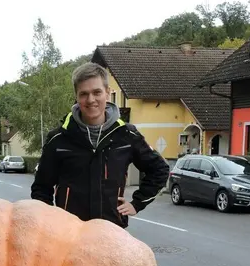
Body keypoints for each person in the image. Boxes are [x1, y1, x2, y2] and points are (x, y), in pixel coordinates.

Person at [31, 62, 170, 228]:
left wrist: (137, 203)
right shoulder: (58, 139)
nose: (91, 100)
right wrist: (51, 221)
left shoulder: (127, 135)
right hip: (68, 234)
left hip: (111, 232)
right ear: (76, 96)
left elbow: (160, 170)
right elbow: (41, 187)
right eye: (84, 94)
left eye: (97, 92)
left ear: (107, 93)